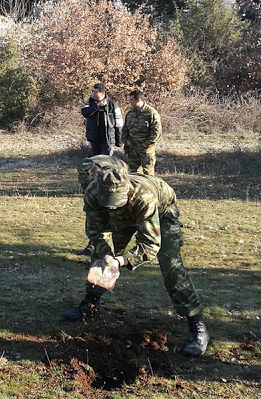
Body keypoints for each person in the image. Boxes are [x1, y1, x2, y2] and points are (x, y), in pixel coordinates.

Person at [63, 161, 209, 357]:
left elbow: (150, 246)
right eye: (108, 202)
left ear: (126, 190)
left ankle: (197, 326)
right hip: (127, 215)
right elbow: (96, 231)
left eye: (116, 202)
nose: (112, 208)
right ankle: (90, 304)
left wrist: (121, 261)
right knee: (101, 258)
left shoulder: (143, 197)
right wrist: (107, 254)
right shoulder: (92, 194)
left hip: (161, 212)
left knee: (171, 267)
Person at [75, 155, 125, 256]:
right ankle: (92, 245)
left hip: (117, 176)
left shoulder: (116, 171)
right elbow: (87, 190)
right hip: (100, 175)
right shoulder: (85, 171)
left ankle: (112, 247)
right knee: (93, 213)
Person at [121, 90, 162, 175]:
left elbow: (156, 133)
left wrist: (145, 144)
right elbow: (125, 130)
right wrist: (126, 141)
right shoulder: (130, 113)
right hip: (132, 149)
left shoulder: (151, 113)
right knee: (131, 175)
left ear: (138, 100)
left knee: (148, 175)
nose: (130, 102)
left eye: (131, 100)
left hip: (146, 150)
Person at [81, 83, 123, 156]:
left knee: (106, 162)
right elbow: (85, 113)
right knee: (96, 161)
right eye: (92, 91)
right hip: (94, 138)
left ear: (103, 93)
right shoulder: (90, 102)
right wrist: (96, 106)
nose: (93, 93)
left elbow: (119, 124)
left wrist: (119, 141)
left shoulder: (112, 105)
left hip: (108, 138)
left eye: (95, 92)